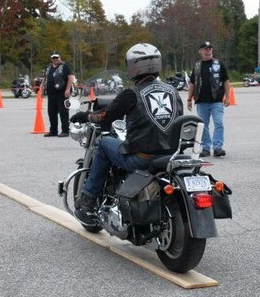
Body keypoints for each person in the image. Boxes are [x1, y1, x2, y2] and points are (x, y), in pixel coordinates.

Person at [69, 43, 183, 226]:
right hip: (171, 154)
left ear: (134, 66)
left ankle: (89, 200)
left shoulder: (131, 94)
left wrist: (85, 115)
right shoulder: (172, 91)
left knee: (104, 142)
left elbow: (103, 117)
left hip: (143, 158)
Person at [187, 42, 231, 157]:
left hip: (216, 100)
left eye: (210, 49)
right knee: (203, 125)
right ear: (200, 51)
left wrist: (228, 97)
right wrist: (188, 99)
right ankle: (206, 148)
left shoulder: (218, 64)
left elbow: (226, 81)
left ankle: (217, 148)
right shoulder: (197, 66)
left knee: (219, 123)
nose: (208, 51)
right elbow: (192, 83)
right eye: (205, 49)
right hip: (201, 101)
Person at [41, 51, 74, 137]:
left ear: (60, 57)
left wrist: (67, 90)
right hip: (51, 94)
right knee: (51, 112)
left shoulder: (64, 66)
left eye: (56, 57)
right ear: (51, 58)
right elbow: (44, 78)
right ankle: (53, 131)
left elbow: (70, 78)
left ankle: (65, 131)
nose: (55, 59)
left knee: (63, 112)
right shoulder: (49, 67)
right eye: (53, 58)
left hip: (62, 93)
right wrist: (41, 89)